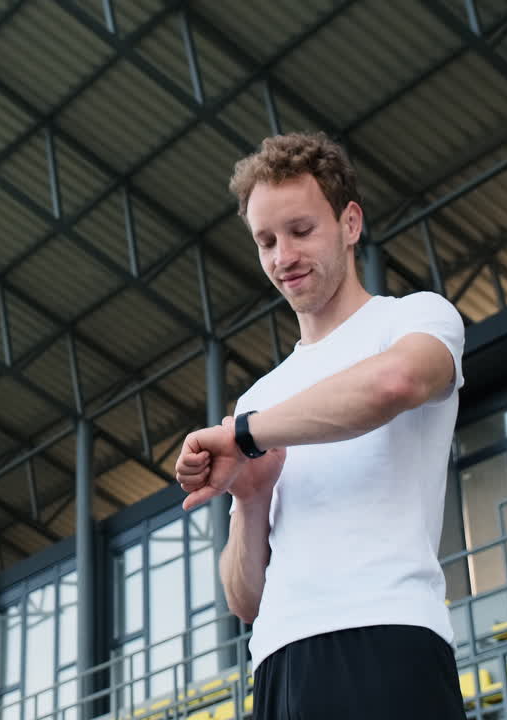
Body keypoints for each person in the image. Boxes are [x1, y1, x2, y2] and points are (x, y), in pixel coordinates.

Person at [175, 132, 466, 718]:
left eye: (301, 231)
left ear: (350, 223)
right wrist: (251, 502)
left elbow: (395, 384)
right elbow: (245, 600)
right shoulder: (259, 397)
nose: (283, 257)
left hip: (386, 636)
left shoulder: (414, 318)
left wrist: (249, 434)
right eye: (266, 241)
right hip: (280, 666)